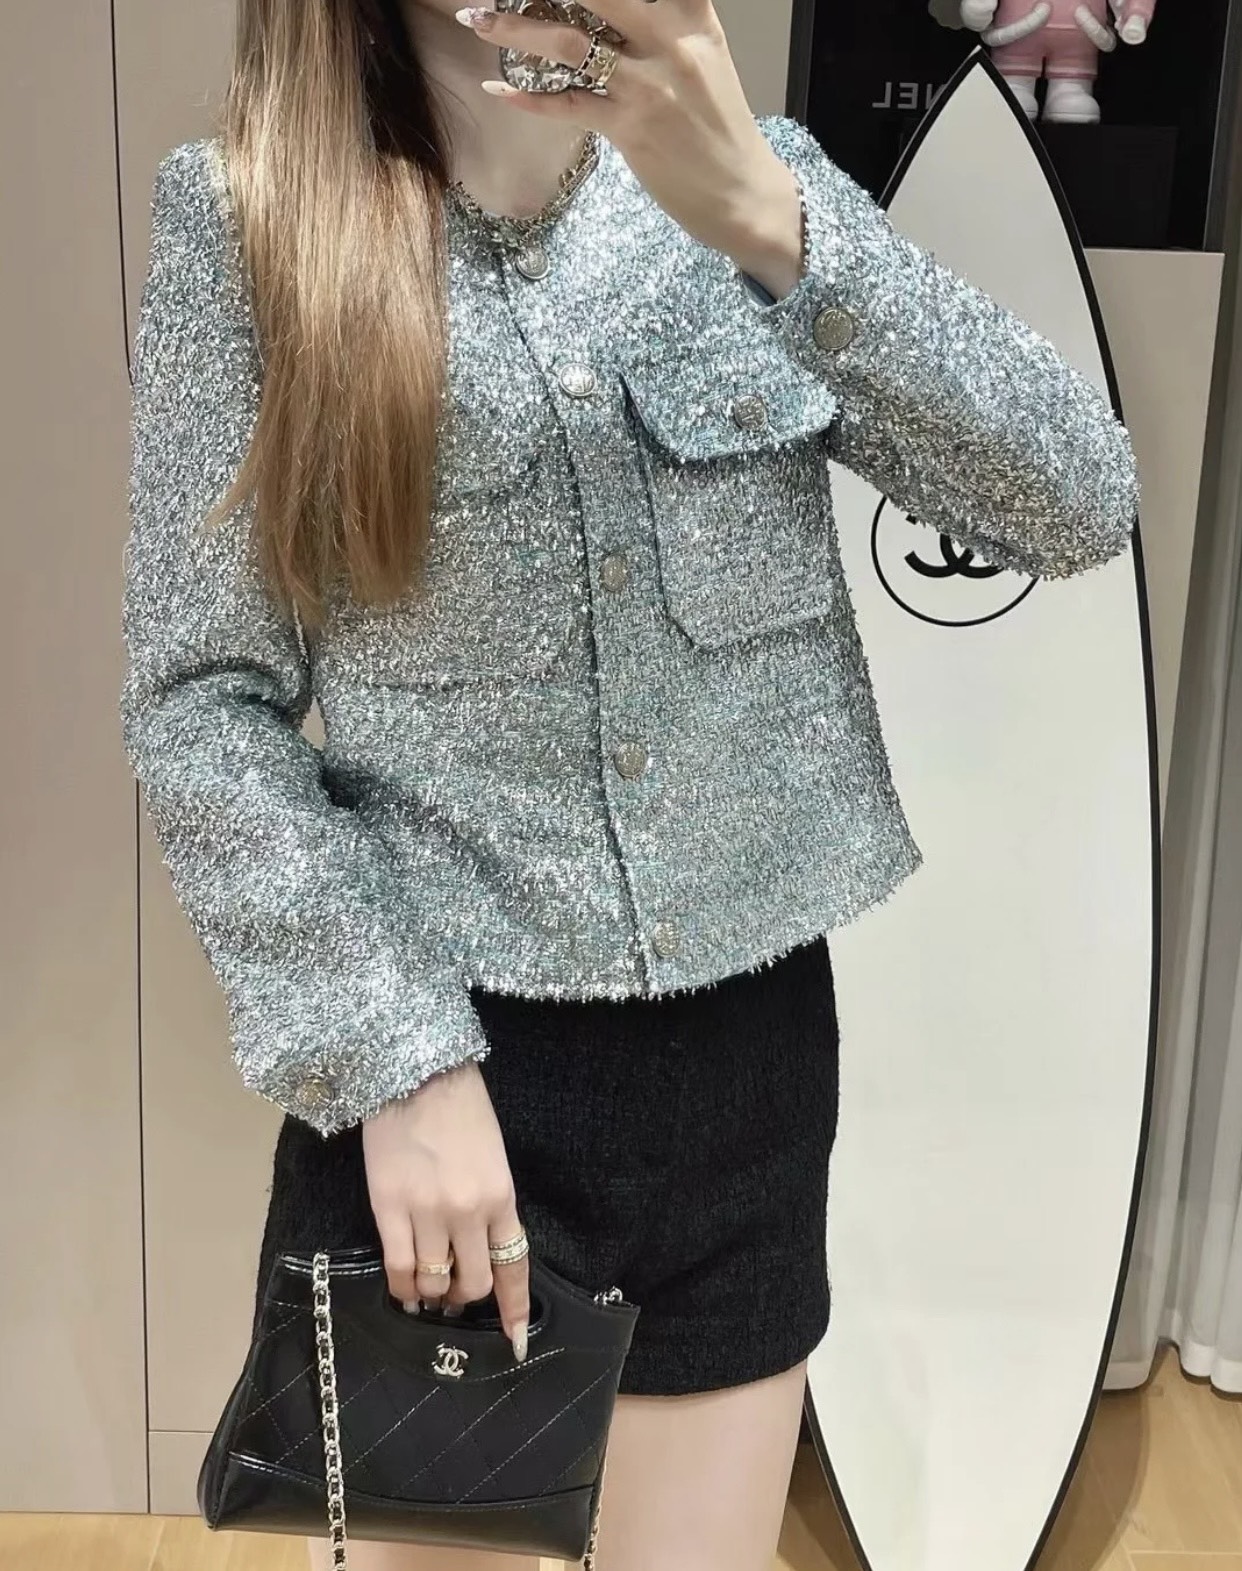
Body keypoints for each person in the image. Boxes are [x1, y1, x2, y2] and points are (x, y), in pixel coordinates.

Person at [118, 1, 1139, 1567]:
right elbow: (202, 697)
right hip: (446, 1068)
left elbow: (1074, 498)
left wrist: (773, 224)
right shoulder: (249, 219)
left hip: (743, 1070)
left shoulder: (755, 186)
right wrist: (392, 1062)